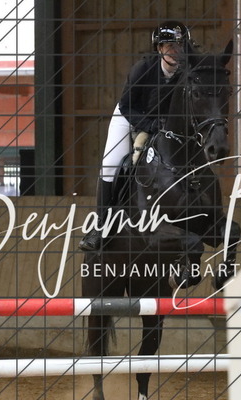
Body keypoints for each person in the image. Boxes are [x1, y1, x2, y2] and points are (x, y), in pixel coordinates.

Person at [79, 21, 190, 251]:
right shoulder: (144, 68)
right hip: (129, 116)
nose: (174, 51)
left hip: (162, 124)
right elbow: (127, 105)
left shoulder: (186, 74)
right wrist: (149, 125)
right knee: (110, 166)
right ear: (159, 48)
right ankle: (101, 226)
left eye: (179, 46)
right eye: (169, 46)